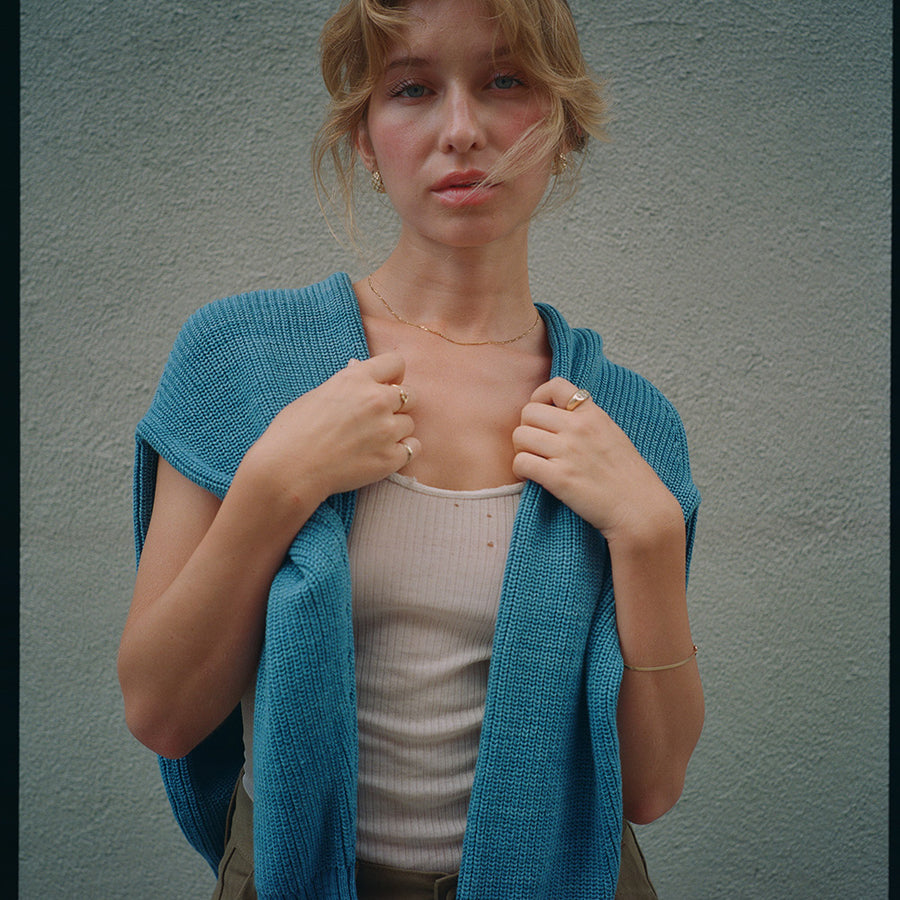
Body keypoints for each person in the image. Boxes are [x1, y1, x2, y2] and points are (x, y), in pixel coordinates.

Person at [117, 0, 704, 897]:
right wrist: (278, 481)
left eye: (505, 80)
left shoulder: (631, 424)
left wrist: (652, 538)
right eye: (413, 89)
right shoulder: (240, 360)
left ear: (563, 121)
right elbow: (160, 712)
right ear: (363, 136)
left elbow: (653, 787)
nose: (461, 129)